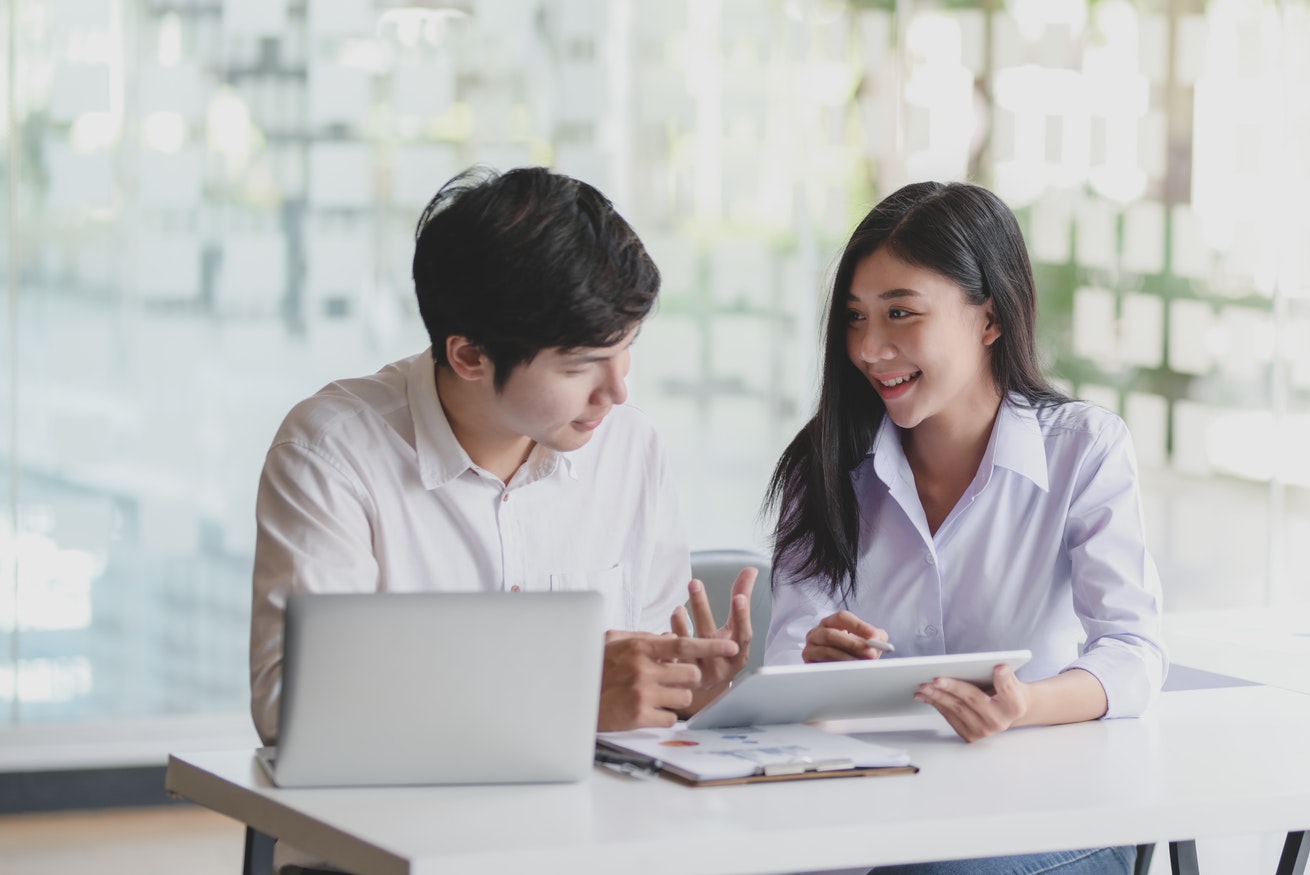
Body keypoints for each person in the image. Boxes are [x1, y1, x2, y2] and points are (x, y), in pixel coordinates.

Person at [250, 166, 756, 755]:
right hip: (394, 831)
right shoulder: (332, 453)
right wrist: (565, 692)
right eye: (578, 366)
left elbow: (643, 702)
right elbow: (293, 706)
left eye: (627, 350)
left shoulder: (629, 446)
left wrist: (692, 689)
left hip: (600, 823)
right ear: (469, 356)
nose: (616, 391)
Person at [763, 182, 1165, 875]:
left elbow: (1132, 649)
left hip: (1046, 810)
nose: (869, 347)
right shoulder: (825, 461)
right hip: (873, 808)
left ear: (990, 318)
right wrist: (814, 666)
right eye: (856, 318)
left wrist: (1027, 704)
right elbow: (786, 663)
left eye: (901, 314)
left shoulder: (1083, 448)